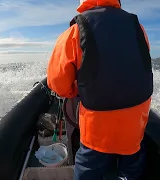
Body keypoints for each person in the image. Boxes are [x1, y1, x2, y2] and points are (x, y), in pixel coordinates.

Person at [47, 0, 153, 179]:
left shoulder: (75, 31)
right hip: (136, 122)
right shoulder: (138, 28)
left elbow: (57, 83)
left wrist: (75, 91)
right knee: (132, 161)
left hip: (98, 127)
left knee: (89, 163)